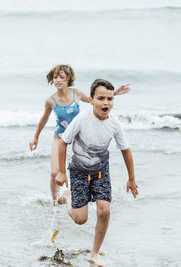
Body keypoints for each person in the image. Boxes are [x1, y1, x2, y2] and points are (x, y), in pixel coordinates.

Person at [55, 79, 138, 267]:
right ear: (91, 100)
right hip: (78, 171)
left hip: (101, 171)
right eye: (101, 98)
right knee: (80, 219)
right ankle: (67, 197)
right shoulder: (82, 119)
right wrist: (61, 172)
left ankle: (94, 253)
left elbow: (126, 150)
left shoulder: (114, 124)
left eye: (110, 98)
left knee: (105, 210)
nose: (106, 103)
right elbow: (63, 142)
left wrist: (131, 179)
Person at [29, 65, 130, 204]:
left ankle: (75, 194)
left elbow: (95, 100)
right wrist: (35, 137)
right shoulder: (50, 101)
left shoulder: (76, 93)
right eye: (55, 77)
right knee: (54, 172)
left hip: (78, 139)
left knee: (78, 167)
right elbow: (44, 119)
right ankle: (55, 201)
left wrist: (115, 93)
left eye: (62, 77)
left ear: (68, 79)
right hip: (60, 137)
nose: (58, 80)